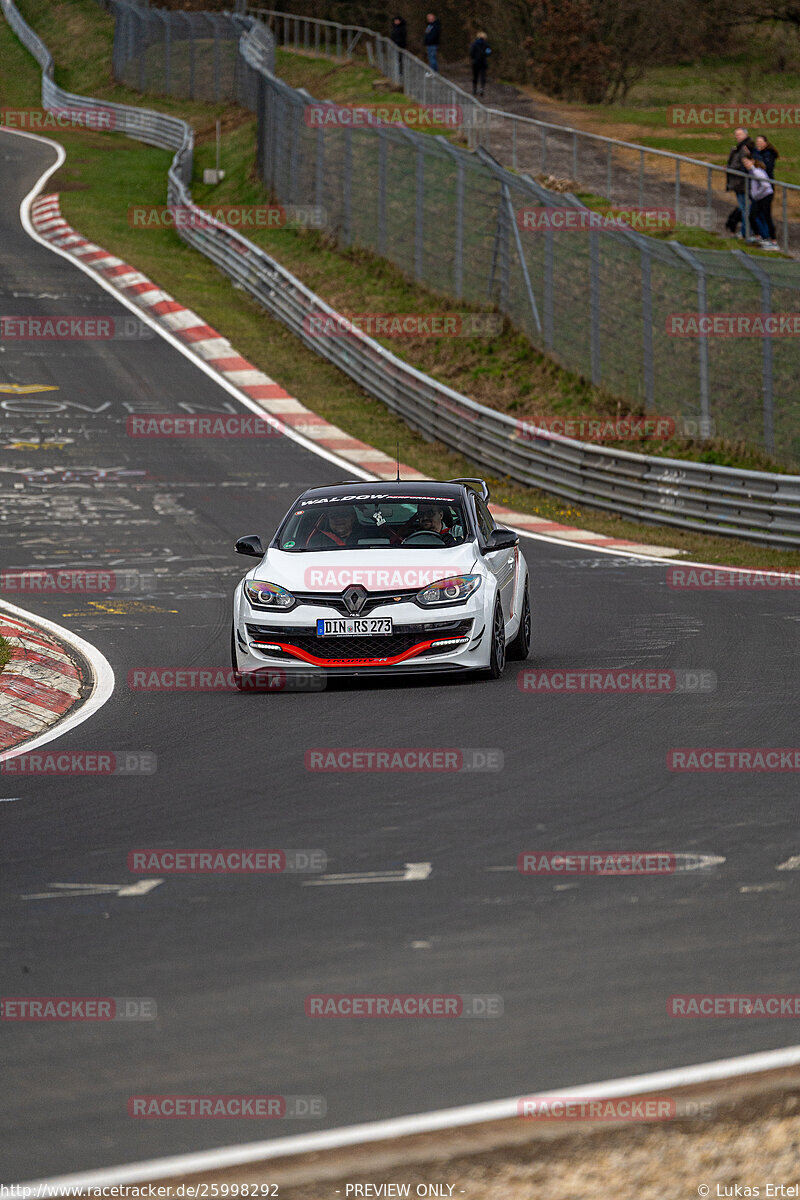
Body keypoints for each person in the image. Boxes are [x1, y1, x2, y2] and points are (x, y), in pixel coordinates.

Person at [725, 127, 756, 238]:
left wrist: (729, 168)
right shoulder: (741, 147)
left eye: (740, 134)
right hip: (740, 183)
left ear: (745, 135)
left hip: (743, 183)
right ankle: (746, 232)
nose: (737, 137)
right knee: (745, 208)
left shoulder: (745, 147)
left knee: (745, 208)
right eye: (736, 134)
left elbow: (743, 165)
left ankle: (746, 232)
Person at [741, 155, 774, 246]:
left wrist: (756, 194)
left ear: (752, 161)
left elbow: (766, 185)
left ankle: (767, 237)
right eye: (744, 163)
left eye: (747, 162)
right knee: (752, 216)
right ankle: (759, 236)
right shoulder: (752, 171)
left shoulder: (756, 171)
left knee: (762, 216)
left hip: (764, 196)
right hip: (759, 197)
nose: (745, 165)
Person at [755, 135, 779, 248]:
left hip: (767, 188)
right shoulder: (759, 153)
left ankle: (772, 239)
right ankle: (763, 236)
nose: (758, 144)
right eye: (757, 142)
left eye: (760, 142)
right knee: (757, 213)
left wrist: (756, 159)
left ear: (765, 143)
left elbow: (765, 167)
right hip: (760, 188)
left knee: (766, 213)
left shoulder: (768, 155)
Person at [469, 30, 491, 97]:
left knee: (475, 76)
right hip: (483, 62)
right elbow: (489, 52)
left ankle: (474, 89)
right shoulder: (486, 44)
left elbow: (471, 53)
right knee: (483, 76)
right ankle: (482, 88)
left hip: (475, 62)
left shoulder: (474, 44)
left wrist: (473, 58)